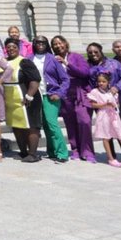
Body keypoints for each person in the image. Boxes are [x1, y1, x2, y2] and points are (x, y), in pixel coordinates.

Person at [52, 35, 97, 163]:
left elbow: (84, 72)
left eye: (60, 43)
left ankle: (87, 152)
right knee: (70, 124)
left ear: (66, 44)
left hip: (80, 93)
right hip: (65, 95)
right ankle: (76, 149)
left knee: (84, 121)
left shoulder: (76, 56)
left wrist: (67, 63)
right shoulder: (53, 59)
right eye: (55, 44)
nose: (58, 45)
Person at [31, 35, 70, 163]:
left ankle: (62, 153)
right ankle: (52, 151)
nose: (40, 44)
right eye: (37, 42)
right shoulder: (29, 59)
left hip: (51, 95)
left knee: (52, 124)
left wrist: (59, 93)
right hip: (36, 96)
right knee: (46, 125)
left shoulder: (53, 59)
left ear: (46, 44)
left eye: (43, 42)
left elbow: (65, 79)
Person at [3, 37, 42, 162]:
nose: (11, 49)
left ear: (18, 48)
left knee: (31, 125)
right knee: (17, 126)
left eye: (14, 47)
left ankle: (33, 153)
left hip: (26, 98)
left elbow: (35, 79)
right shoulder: (3, 62)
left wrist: (29, 95)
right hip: (10, 99)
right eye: (8, 47)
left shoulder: (24, 62)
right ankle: (23, 152)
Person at [88, 72, 121, 168]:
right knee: (106, 137)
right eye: (99, 81)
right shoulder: (95, 92)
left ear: (108, 82)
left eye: (103, 81)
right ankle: (111, 158)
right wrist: (104, 104)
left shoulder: (112, 92)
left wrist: (115, 105)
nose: (101, 83)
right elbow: (93, 105)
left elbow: (117, 103)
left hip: (114, 116)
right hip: (103, 115)